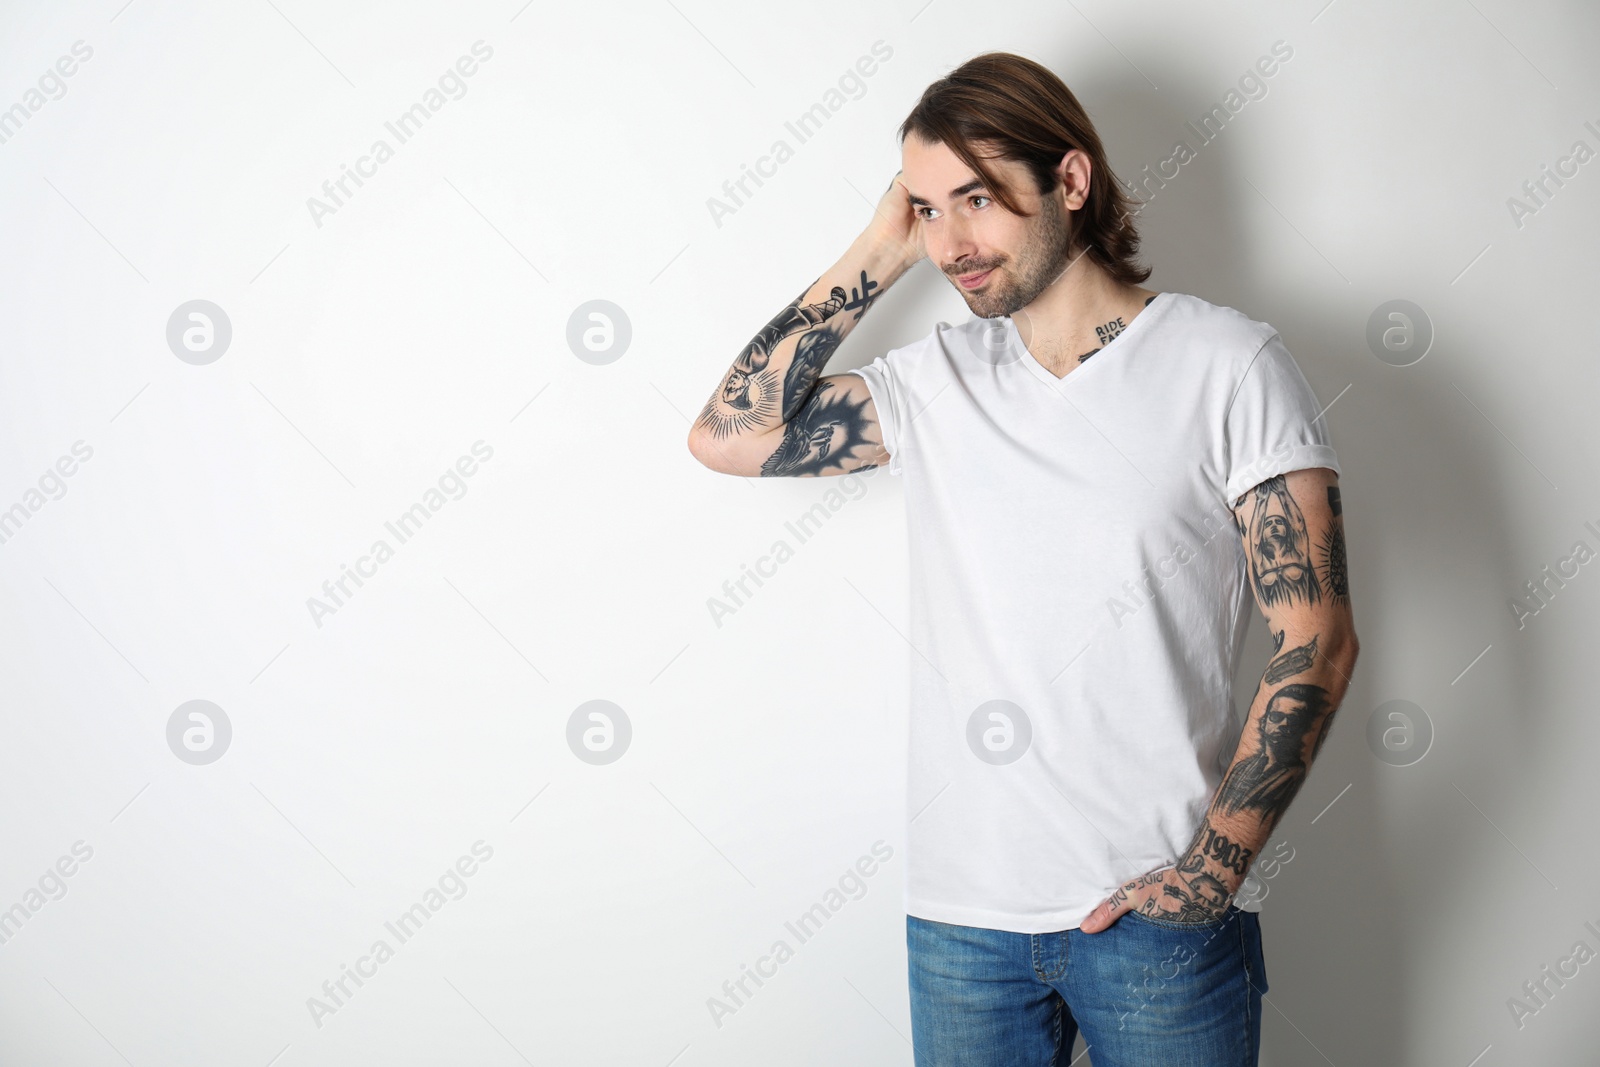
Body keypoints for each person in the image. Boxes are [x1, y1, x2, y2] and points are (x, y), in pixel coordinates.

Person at [687, 50, 1359, 1066]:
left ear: (1070, 182)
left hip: (1156, 921)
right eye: (925, 208)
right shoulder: (941, 379)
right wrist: (879, 245)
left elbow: (1316, 637)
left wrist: (1210, 873)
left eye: (977, 200)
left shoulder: (1228, 365)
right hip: (960, 925)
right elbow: (727, 435)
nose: (951, 241)